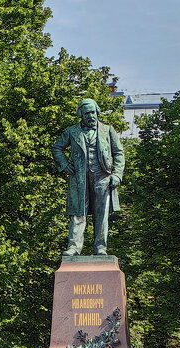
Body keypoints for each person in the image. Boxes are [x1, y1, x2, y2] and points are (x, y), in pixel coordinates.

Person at [51, 98, 125, 256]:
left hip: (102, 177)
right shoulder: (72, 131)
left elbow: (118, 152)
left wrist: (117, 175)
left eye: (93, 112)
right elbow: (57, 147)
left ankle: (100, 246)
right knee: (78, 212)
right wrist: (64, 165)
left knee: (101, 212)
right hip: (79, 178)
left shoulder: (107, 130)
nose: (90, 116)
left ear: (97, 112)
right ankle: (74, 247)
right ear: (81, 115)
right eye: (86, 113)